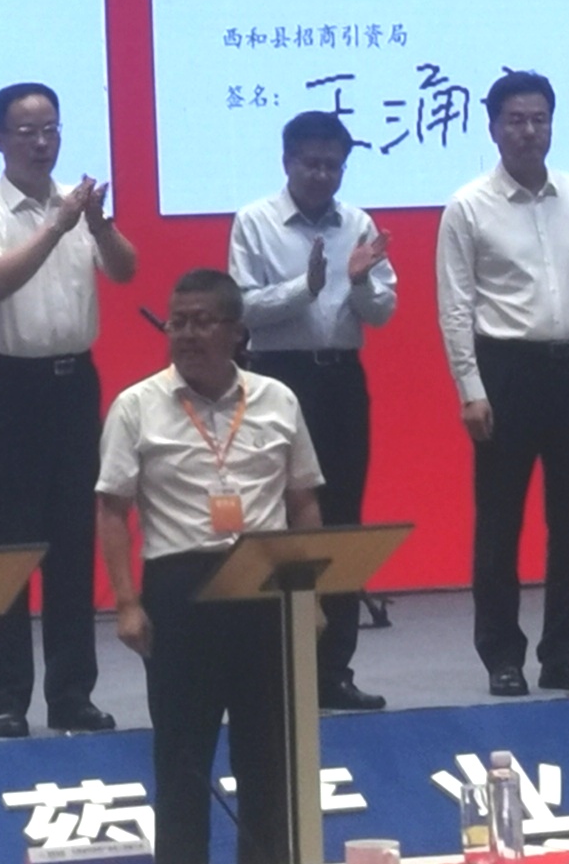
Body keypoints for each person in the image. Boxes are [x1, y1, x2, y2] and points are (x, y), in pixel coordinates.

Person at [98, 271, 326, 864]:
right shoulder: (136, 405)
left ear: (237, 332)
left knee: (268, 757)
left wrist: (311, 594)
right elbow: (113, 510)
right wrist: (126, 602)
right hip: (180, 593)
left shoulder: (277, 400)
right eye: (177, 322)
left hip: (265, 588)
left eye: (202, 322)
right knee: (182, 761)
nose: (186, 334)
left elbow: (303, 501)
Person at [0, 81, 138, 738]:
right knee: (5, 544)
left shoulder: (77, 205)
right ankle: (2, 696)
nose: (41, 141)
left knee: (71, 541)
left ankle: (71, 693)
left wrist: (99, 225)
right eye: (26, 130)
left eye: (50, 128)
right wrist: (58, 225)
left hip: (72, 384)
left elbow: (126, 271)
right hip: (3, 387)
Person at [441, 70, 569, 698]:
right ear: (493, 128)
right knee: (500, 523)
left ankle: (563, 652)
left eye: (538, 119)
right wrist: (470, 388)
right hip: (505, 371)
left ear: (552, 125)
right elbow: (456, 306)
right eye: (515, 120)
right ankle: (502, 655)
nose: (528, 131)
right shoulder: (468, 205)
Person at [226, 108, 397, 712]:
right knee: (273, 520)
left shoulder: (359, 224)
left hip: (342, 380)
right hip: (277, 379)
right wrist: (309, 286)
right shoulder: (255, 221)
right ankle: (272, 665)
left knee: (341, 521)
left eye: (333, 165)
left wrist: (358, 282)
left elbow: (382, 313)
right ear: (287, 162)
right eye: (312, 163)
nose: (322, 174)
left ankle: (333, 670)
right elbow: (242, 308)